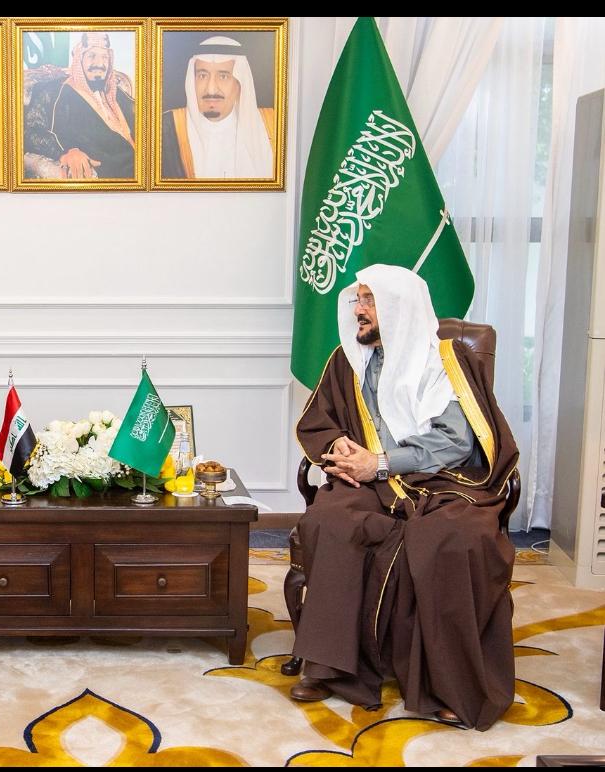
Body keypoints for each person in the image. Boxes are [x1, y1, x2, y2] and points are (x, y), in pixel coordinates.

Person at [291, 263, 518, 730]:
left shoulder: (448, 361)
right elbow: (321, 421)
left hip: (447, 480)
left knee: (455, 540)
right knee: (331, 520)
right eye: (357, 300)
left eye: (369, 300)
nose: (359, 310)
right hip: (370, 481)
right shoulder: (347, 361)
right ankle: (328, 664)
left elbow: (456, 441)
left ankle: (450, 684)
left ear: (399, 306)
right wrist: (339, 446)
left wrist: (381, 462)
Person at [23, 31, 136, 179]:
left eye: (105, 57)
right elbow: (31, 132)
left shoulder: (116, 92)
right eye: (91, 56)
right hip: (113, 171)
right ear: (79, 59)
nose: (99, 63)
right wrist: (66, 151)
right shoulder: (54, 91)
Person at [161, 36, 274, 179]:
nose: (211, 89)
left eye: (223, 76)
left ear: (239, 84)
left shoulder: (272, 126)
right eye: (202, 76)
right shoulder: (166, 129)